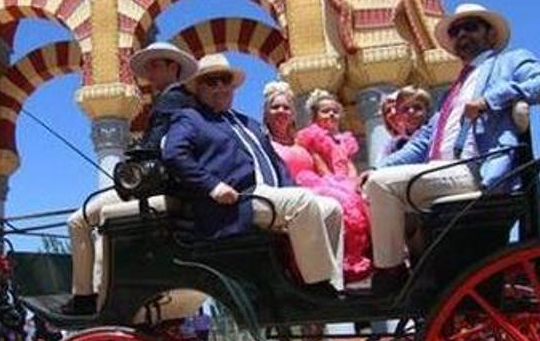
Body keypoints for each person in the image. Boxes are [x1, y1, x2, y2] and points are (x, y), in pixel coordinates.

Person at [363, 3, 540, 294]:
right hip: (441, 172)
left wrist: (491, 99)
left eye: (470, 27)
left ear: (489, 33)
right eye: (455, 30)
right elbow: (423, 141)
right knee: (376, 183)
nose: (461, 35)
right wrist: (377, 167)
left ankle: (390, 273)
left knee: (382, 187)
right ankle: (413, 271)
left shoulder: (508, 62)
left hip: (477, 170)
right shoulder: (455, 89)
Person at [163, 53, 345, 292]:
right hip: (238, 203)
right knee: (302, 202)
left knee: (331, 208)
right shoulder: (191, 118)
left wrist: (293, 188)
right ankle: (317, 287)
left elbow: (277, 164)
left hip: (271, 197)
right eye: (211, 81)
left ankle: (333, 284)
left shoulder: (248, 123)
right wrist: (213, 186)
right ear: (198, 88)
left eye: (224, 80)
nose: (219, 86)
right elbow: (174, 154)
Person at [62, 42, 200, 315]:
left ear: (173, 67)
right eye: (148, 65)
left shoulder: (171, 100)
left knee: (78, 221)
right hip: (175, 189)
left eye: (156, 64)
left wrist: (133, 161)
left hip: (162, 189)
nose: (149, 70)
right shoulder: (183, 100)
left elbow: (160, 147)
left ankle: (85, 297)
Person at [264, 82, 371, 284]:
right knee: (340, 201)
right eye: (275, 107)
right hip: (292, 191)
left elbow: (326, 163)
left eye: (286, 107)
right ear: (266, 113)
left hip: (318, 184)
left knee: (359, 199)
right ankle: (333, 272)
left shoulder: (300, 140)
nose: (281, 111)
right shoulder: (264, 143)